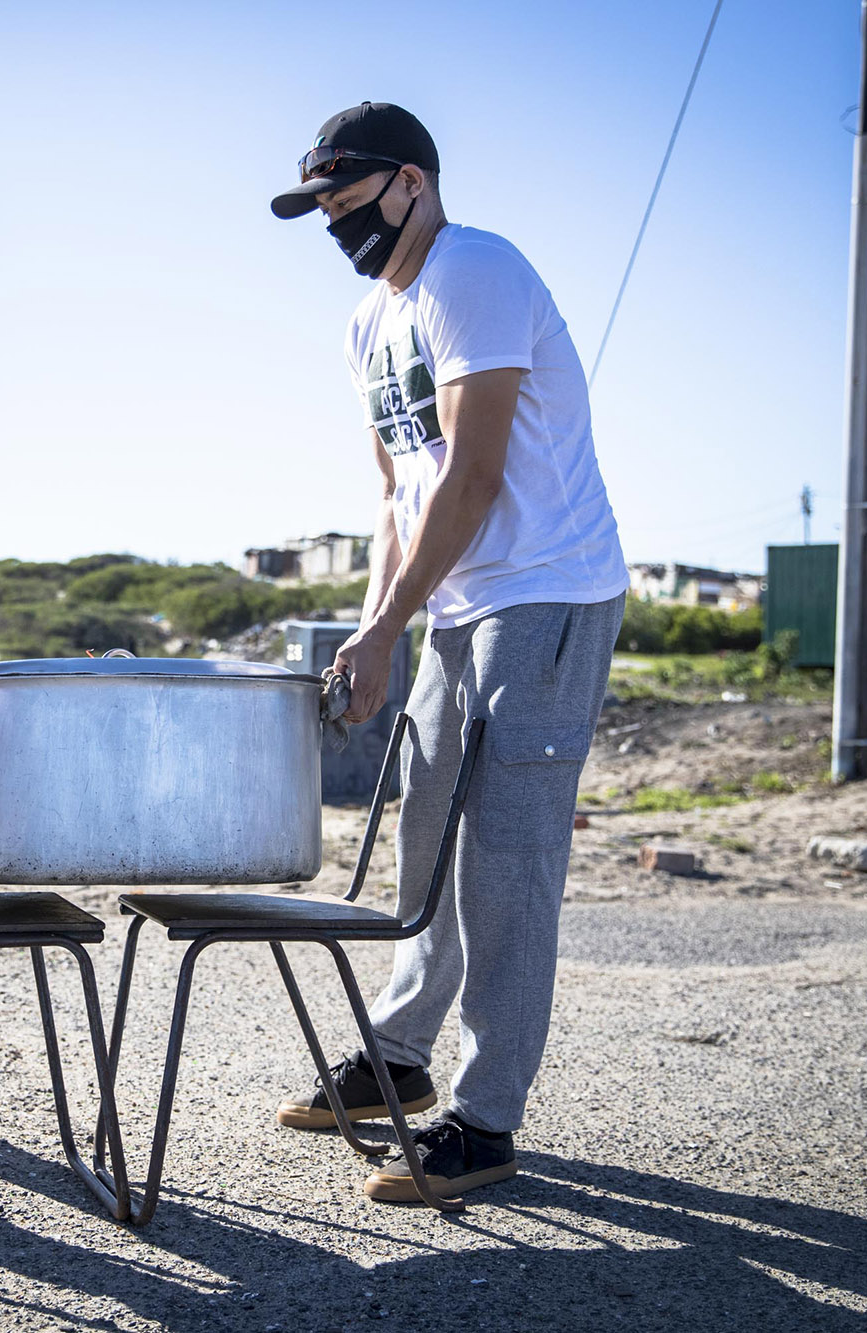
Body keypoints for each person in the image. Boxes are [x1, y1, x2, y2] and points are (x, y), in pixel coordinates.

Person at [267, 104, 628, 1201]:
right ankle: (400, 1059)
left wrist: (387, 627)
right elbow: (397, 497)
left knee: (506, 864)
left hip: (546, 589)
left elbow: (472, 476)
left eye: (346, 196)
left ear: (410, 183)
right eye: (318, 205)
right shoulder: (364, 325)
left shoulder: (474, 270)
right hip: (455, 603)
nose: (334, 221)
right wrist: (379, 625)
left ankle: (484, 1121)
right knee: (422, 832)